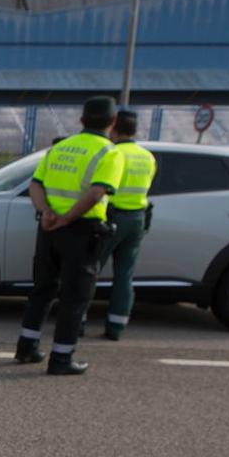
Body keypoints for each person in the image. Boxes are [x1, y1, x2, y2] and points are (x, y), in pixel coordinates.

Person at [14, 96, 125, 375]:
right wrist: (67, 218)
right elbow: (97, 192)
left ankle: (26, 348)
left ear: (82, 120)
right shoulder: (110, 153)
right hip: (82, 231)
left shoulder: (60, 148)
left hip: (49, 229)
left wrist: (47, 213)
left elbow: (35, 184)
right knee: (75, 297)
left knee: (42, 290)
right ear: (112, 123)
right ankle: (61, 359)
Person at [99, 110, 158, 340]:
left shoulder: (113, 154)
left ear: (113, 126)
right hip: (137, 219)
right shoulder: (147, 157)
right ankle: (116, 326)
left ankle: (78, 321)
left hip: (111, 217)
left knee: (90, 270)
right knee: (124, 275)